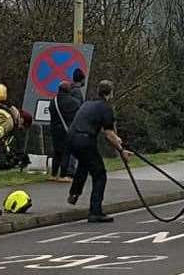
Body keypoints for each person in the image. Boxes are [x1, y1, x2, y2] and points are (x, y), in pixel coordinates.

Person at [67, 79, 131, 223]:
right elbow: (109, 134)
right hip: (85, 140)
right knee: (100, 174)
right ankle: (95, 211)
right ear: (111, 93)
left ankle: (74, 193)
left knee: (84, 164)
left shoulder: (87, 104)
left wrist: (118, 143)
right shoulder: (105, 107)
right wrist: (121, 150)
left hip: (71, 139)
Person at [48, 81, 81, 182]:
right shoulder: (74, 102)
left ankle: (53, 174)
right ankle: (63, 175)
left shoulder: (53, 101)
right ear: (69, 90)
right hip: (68, 129)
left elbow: (51, 113)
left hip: (55, 130)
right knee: (66, 152)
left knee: (57, 152)